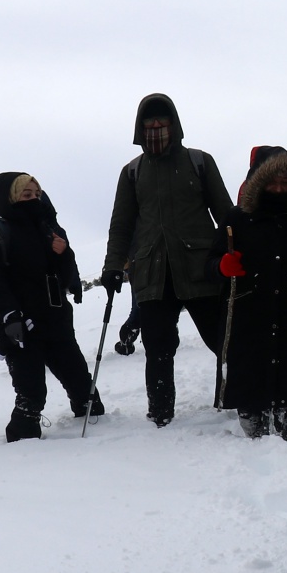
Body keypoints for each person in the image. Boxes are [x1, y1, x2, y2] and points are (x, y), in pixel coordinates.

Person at [101, 93, 234, 427]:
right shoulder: (132, 172)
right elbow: (121, 225)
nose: (156, 126)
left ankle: (238, 397)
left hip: (200, 269)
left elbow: (226, 214)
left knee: (223, 339)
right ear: (140, 126)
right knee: (158, 346)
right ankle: (160, 413)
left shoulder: (199, 161)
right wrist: (113, 265)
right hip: (153, 273)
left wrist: (236, 251)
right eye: (150, 121)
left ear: (174, 124)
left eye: (162, 120)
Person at [0, 173, 102, 441]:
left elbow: (65, 278)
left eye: (36, 194)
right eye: (26, 194)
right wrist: (10, 316)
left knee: (85, 390)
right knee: (31, 394)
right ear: (9, 198)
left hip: (56, 321)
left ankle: (102, 431)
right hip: (23, 325)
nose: (34, 199)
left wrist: (64, 254)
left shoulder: (48, 228)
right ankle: (23, 451)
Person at [213, 151, 287, 442]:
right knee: (251, 368)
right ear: (258, 183)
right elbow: (210, 262)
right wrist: (222, 265)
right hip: (249, 311)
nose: (279, 189)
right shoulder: (236, 218)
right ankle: (252, 414)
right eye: (272, 182)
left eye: (285, 183)